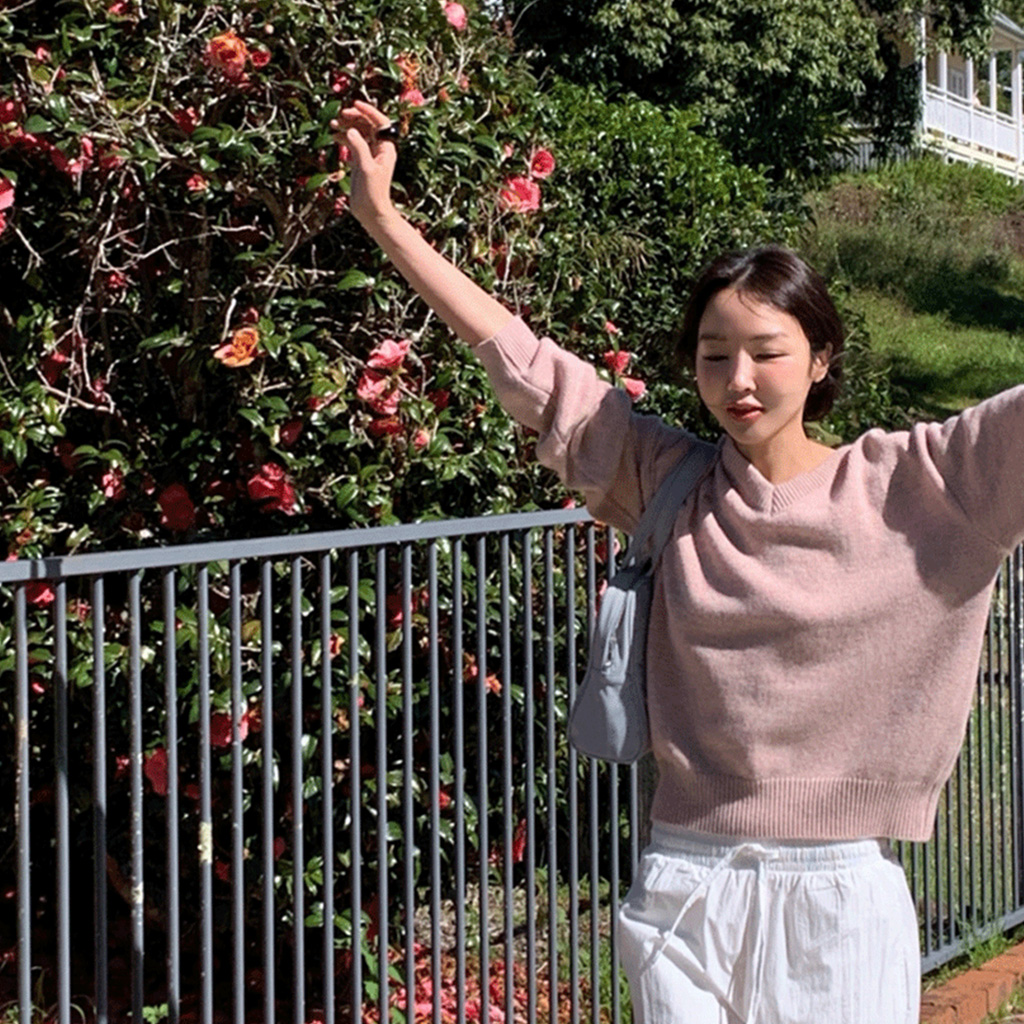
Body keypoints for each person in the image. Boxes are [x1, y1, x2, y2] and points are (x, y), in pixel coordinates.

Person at [337, 99, 1024, 1023]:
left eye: (766, 353)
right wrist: (386, 222)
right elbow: (530, 372)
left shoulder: (925, 486)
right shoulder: (669, 481)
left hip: (839, 898)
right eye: (713, 356)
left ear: (821, 358)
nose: (738, 380)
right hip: (683, 883)